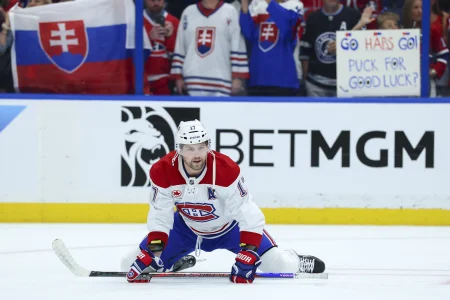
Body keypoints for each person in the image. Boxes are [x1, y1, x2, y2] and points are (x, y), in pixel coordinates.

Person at [121, 120, 326, 284]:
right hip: (186, 229)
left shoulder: (225, 169)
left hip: (230, 229)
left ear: (209, 146)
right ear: (179, 149)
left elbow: (246, 211)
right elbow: (160, 213)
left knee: (279, 266)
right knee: (128, 264)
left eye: (201, 147)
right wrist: (154, 251)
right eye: (190, 149)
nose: (197, 155)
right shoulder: (162, 170)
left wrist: (249, 252)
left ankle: (295, 260)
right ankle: (172, 261)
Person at [170, 0, 249, 96]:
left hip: (222, 82)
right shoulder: (188, 12)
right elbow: (180, 45)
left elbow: (237, 45)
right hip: (192, 81)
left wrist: (238, 76)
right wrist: (178, 76)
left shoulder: (230, 11)